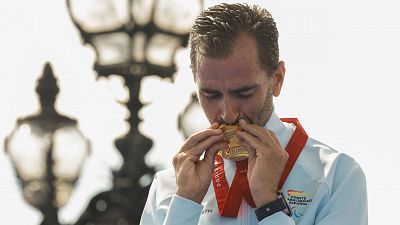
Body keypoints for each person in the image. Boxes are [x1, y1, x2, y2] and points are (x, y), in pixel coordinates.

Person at [140, 3, 368, 225]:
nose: (228, 114)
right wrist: (185, 203)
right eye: (210, 94)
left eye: (243, 92)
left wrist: (269, 204)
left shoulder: (337, 176)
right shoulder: (168, 187)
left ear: (277, 79)